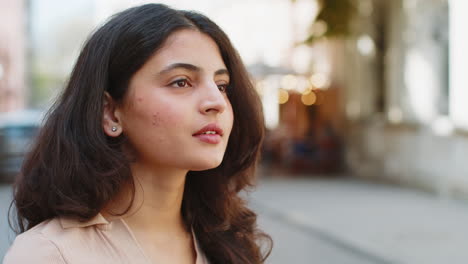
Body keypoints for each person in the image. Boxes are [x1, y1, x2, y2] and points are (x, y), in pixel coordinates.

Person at [3, 4, 272, 264]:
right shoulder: (50, 254)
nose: (217, 102)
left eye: (222, 85)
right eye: (181, 82)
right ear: (110, 112)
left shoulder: (228, 241)